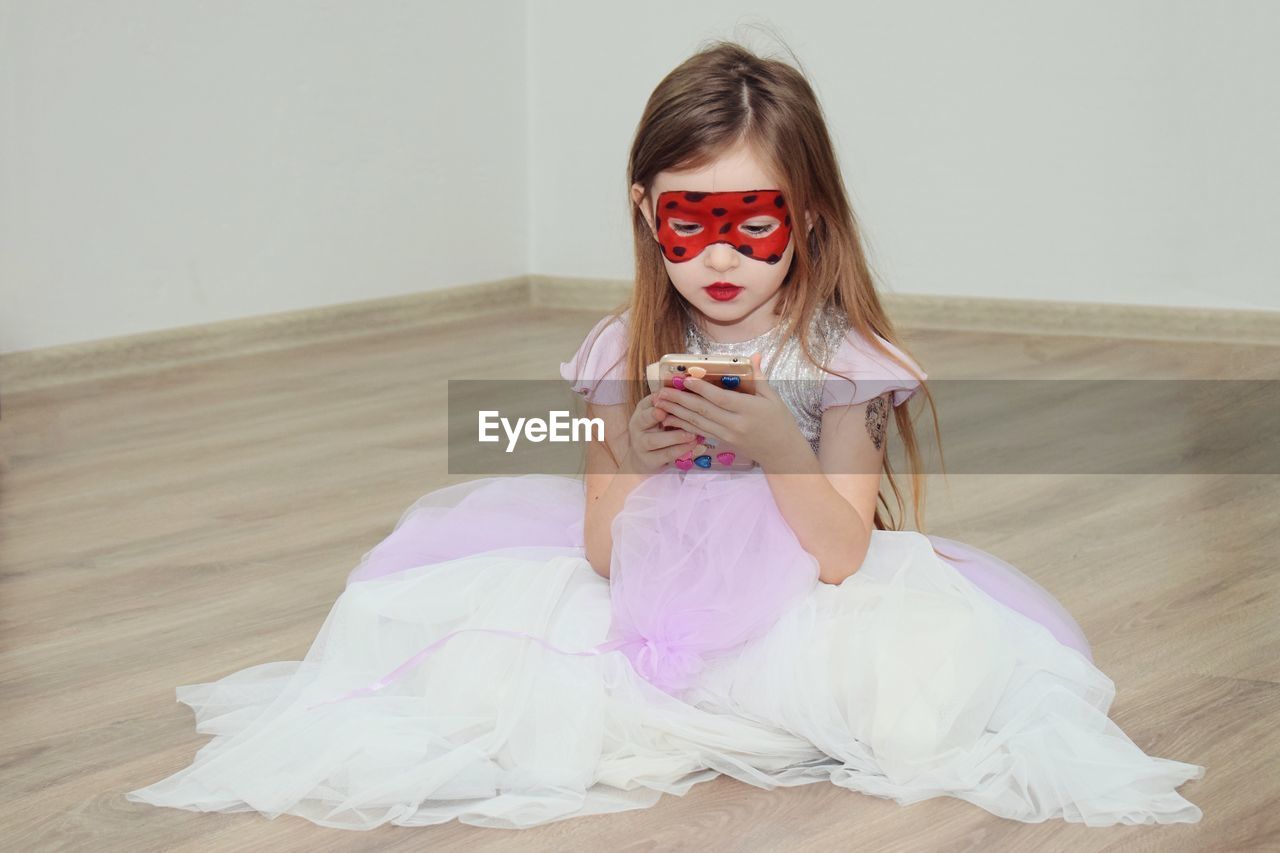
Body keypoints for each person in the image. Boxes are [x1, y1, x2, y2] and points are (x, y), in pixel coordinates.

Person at [126, 40, 1204, 830]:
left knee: (913, 685)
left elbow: (841, 558)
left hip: (802, 605)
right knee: (450, 652)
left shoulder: (838, 359)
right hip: (649, 595)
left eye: (753, 221)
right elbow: (599, 553)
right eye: (690, 219)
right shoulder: (618, 347)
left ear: (810, 213)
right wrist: (634, 451)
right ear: (647, 212)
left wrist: (776, 443)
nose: (719, 257)